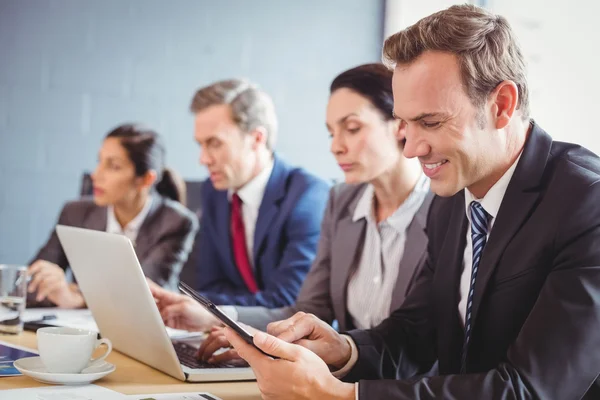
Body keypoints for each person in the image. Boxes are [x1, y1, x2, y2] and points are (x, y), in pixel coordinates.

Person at [220, 4, 600, 399]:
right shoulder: (454, 198)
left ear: (502, 105)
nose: (411, 148)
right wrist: (341, 349)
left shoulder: (587, 203)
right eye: (405, 123)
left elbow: (532, 389)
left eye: (431, 123)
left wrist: (341, 396)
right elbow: (417, 332)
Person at [152, 63, 433, 363]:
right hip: (337, 377)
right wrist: (235, 327)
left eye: (352, 129)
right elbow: (308, 310)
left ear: (401, 125)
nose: (336, 147)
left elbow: (426, 343)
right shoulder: (342, 200)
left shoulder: (444, 209)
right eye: (330, 134)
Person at [159, 79, 330, 309]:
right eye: (200, 145)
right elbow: (211, 283)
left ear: (256, 139)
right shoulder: (214, 192)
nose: (203, 159)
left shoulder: (308, 197)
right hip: (232, 333)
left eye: (215, 144)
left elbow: (287, 301)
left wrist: (210, 310)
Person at [28, 124, 198, 308]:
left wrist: (78, 298)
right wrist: (52, 285)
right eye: (99, 162)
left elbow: (142, 294)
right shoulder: (74, 213)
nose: (95, 175)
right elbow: (31, 284)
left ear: (146, 179)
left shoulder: (177, 222)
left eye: (113, 166)